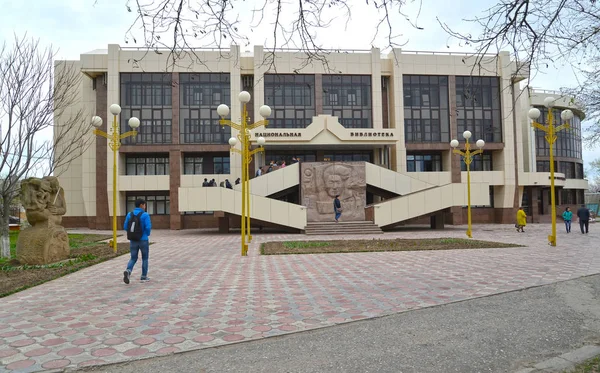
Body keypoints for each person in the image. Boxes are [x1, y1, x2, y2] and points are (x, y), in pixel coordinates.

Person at [123, 199, 152, 284]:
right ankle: (143, 276)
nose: (145, 206)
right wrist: (146, 234)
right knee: (145, 258)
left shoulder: (129, 214)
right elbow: (148, 227)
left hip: (133, 240)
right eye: (144, 205)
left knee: (133, 258)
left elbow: (125, 227)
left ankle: (128, 270)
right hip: (143, 240)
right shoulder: (145, 215)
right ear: (142, 205)